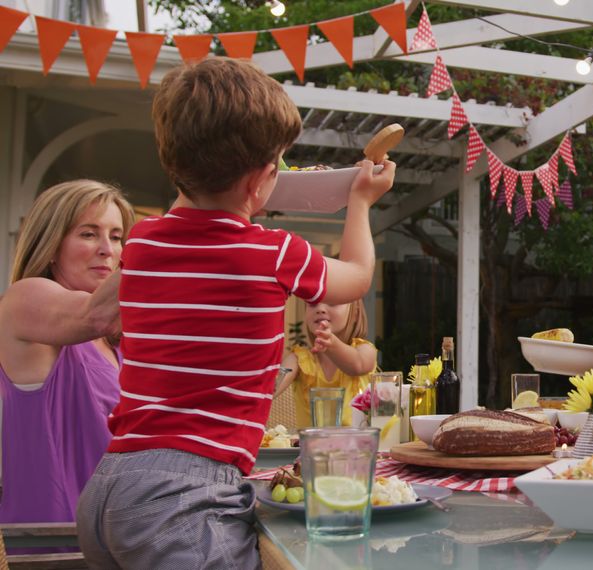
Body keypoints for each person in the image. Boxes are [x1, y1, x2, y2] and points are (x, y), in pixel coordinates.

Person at [75, 57, 395, 568]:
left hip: (111, 487)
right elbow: (356, 274)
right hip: (187, 500)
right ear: (264, 179)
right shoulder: (274, 252)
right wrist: (360, 201)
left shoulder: (143, 242)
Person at [0, 180, 134, 524]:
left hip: (115, 535)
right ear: (50, 243)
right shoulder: (23, 300)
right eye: (89, 234)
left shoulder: (113, 339)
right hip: (51, 545)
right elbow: (94, 313)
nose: (108, 249)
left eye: (117, 237)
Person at [277, 300, 378, 427]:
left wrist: (332, 344)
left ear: (355, 310)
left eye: (332, 302)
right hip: (310, 446)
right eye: (312, 303)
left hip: (358, 445)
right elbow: (272, 388)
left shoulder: (365, 350)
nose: (320, 309)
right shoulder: (298, 358)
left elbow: (358, 365)